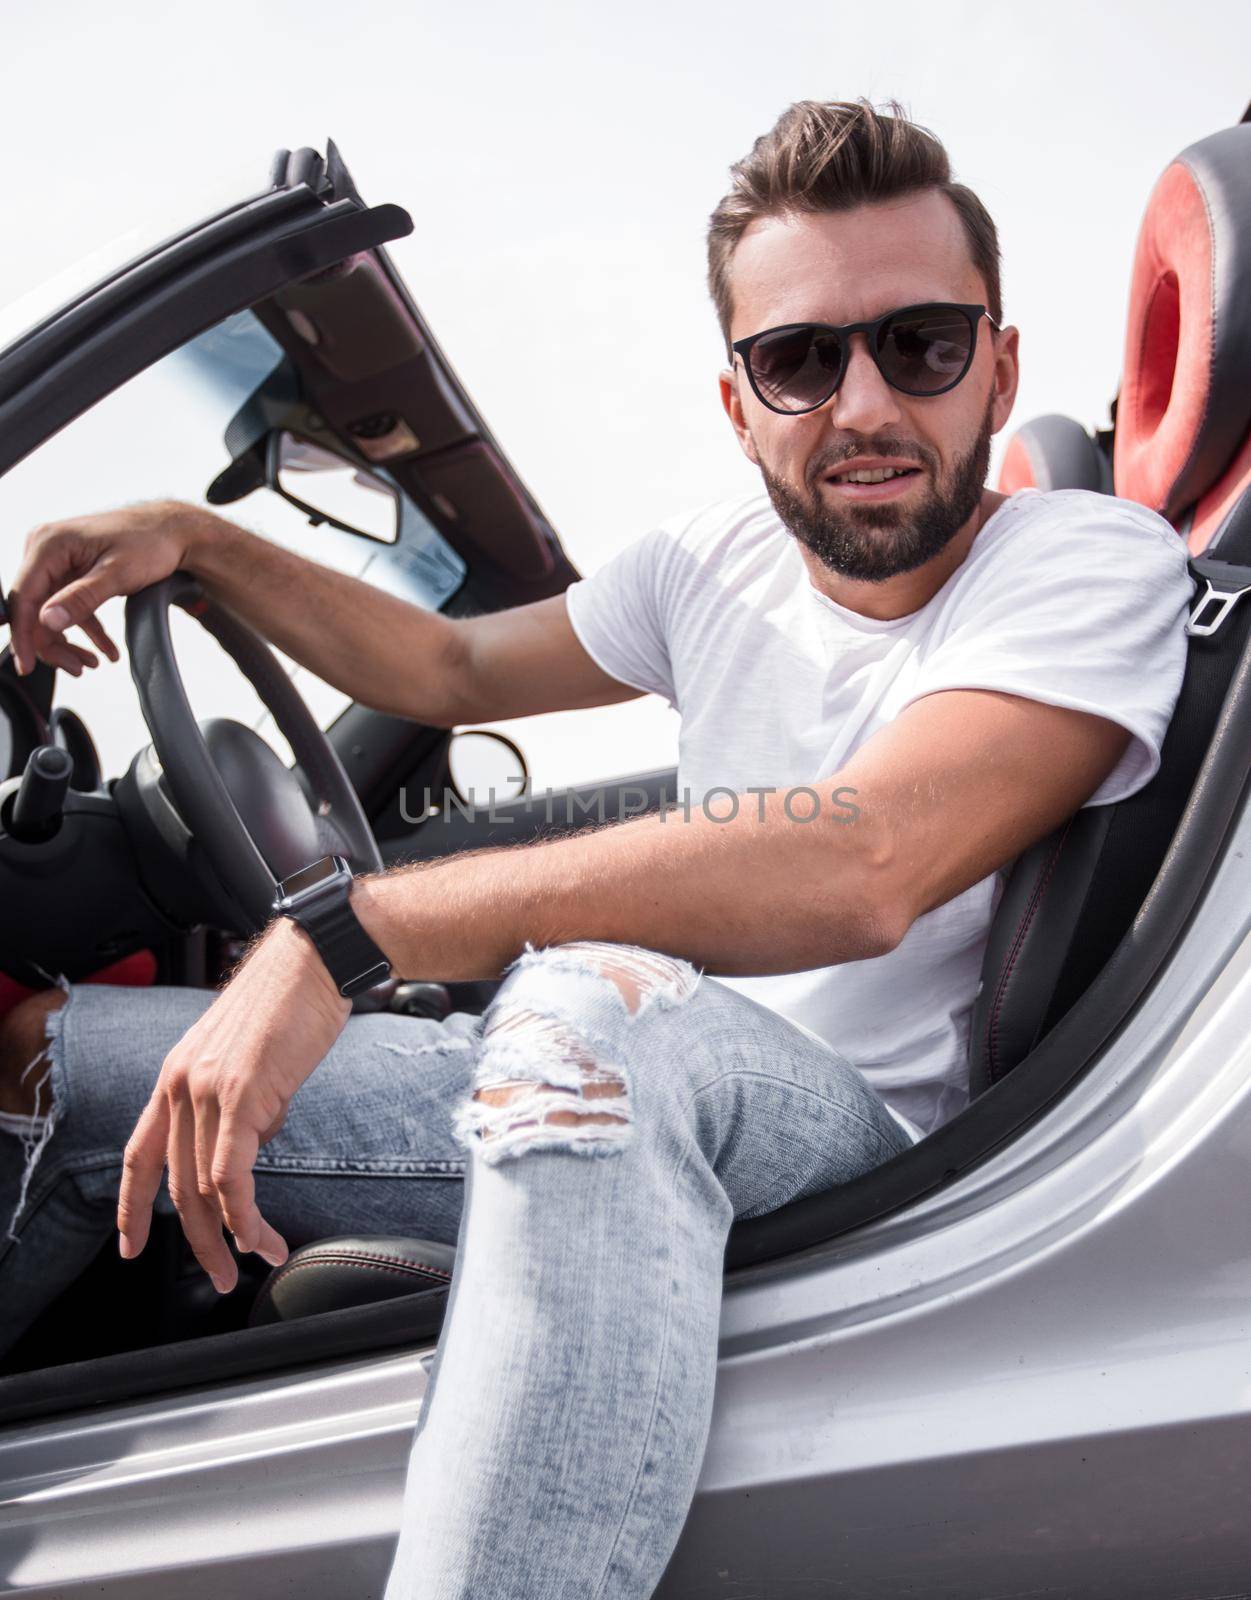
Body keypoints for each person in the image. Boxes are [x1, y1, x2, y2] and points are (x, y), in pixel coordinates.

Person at [0, 99, 1190, 1598]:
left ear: (1000, 364)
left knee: (588, 1011)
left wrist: (353, 934)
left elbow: (867, 858)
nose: (870, 404)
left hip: (862, 1156)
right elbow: (445, 673)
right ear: (739, 398)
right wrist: (204, 536)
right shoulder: (713, 564)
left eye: (925, 345)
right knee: (54, 1059)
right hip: (613, 1093)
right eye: (804, 359)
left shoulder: (1084, 564)